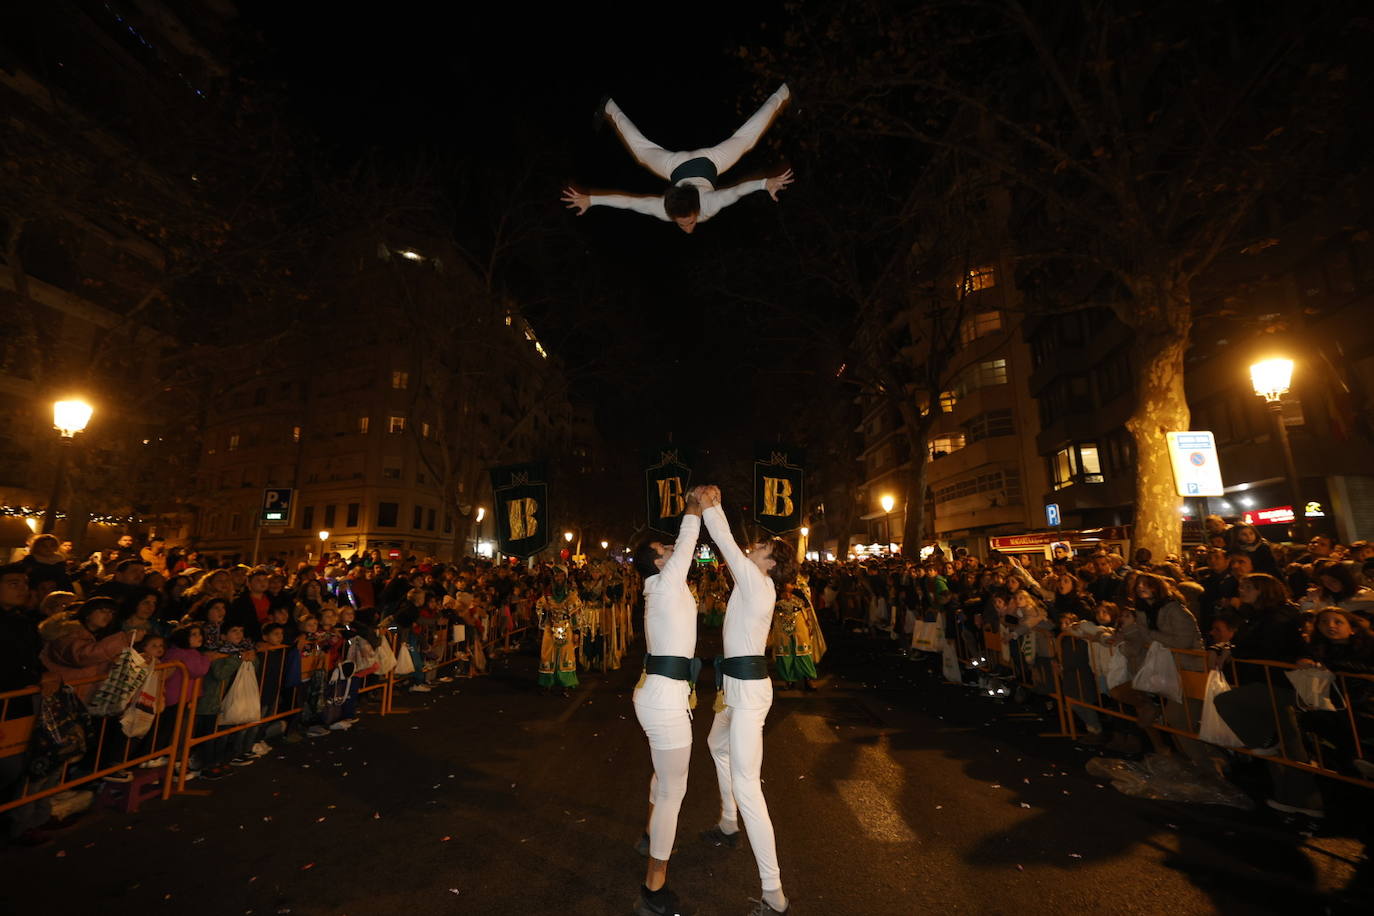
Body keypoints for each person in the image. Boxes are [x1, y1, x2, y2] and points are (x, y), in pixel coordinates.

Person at [700, 485, 797, 916]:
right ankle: (726, 821)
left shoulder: (757, 585)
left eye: (759, 547)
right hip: (735, 688)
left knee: (748, 786)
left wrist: (712, 506)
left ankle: (774, 894)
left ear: (770, 562)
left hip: (749, 693)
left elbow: (723, 543)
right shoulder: (754, 583)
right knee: (715, 746)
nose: (752, 547)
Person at [562, 84, 794, 233]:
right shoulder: (699, 205)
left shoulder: (671, 209)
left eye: (685, 223)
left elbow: (630, 203)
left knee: (745, 140)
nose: (687, 229)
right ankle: (610, 107)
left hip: (704, 162)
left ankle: (783, 92)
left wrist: (592, 200)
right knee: (642, 152)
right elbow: (736, 191)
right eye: (688, 223)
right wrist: (764, 184)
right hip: (683, 165)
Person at [630, 489, 703, 916]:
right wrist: (694, 504)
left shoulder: (660, 585)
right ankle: (654, 885)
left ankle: (646, 836)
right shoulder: (666, 580)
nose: (672, 549)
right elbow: (690, 539)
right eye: (665, 548)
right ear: (659, 561)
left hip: (658, 693)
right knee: (675, 789)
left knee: (663, 778)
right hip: (664, 698)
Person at [535, 567, 583, 697]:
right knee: (547, 655)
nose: (559, 579)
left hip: (566, 628)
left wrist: (576, 631)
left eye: (561, 576)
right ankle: (547, 683)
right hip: (550, 628)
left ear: (565, 577)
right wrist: (545, 611)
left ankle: (565, 685)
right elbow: (539, 608)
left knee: (566, 656)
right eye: (556, 576)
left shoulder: (571, 594)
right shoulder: (547, 594)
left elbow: (575, 613)